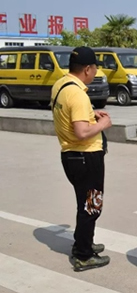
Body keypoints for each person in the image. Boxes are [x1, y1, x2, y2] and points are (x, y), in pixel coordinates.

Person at [51, 46, 112, 272]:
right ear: (87, 68)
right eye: (95, 68)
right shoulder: (77, 94)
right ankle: (84, 256)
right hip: (86, 158)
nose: (96, 72)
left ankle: (83, 243)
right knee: (91, 206)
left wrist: (90, 114)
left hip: (71, 157)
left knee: (84, 204)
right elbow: (82, 132)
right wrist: (103, 124)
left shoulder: (62, 85)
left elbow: (68, 114)